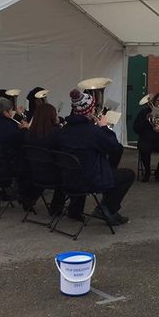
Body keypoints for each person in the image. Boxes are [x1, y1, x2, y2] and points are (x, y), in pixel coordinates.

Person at [57, 89, 134, 225]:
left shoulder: (64, 130)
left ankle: (75, 210)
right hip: (89, 180)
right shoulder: (93, 132)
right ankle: (108, 208)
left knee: (100, 168)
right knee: (128, 175)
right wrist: (104, 127)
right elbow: (114, 148)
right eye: (93, 108)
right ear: (89, 111)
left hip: (68, 179)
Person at [22, 102, 64, 212]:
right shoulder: (56, 133)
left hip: (34, 173)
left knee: (43, 167)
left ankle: (29, 199)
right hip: (53, 176)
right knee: (67, 172)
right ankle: (56, 207)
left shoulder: (29, 134)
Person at [133, 92, 159, 182]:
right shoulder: (144, 112)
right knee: (144, 148)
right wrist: (146, 120)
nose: (158, 104)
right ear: (154, 100)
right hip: (146, 139)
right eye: (157, 101)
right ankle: (147, 172)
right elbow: (136, 128)